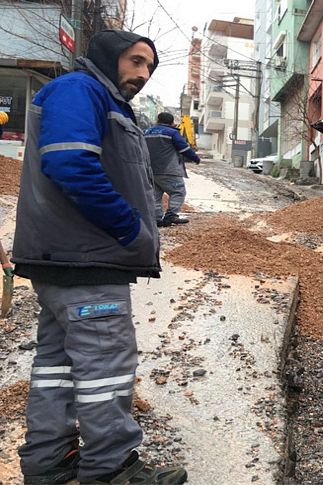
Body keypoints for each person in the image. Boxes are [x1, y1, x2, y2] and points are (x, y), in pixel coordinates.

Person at [12, 30, 187, 485]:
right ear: (109, 58)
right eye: (135, 61)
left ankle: (50, 463)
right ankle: (111, 469)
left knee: (59, 368)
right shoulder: (80, 90)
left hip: (65, 260)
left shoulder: (94, 97)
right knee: (106, 368)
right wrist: (129, 227)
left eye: (149, 66)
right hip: (86, 259)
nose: (143, 74)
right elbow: (70, 162)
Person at [144, 112, 200, 227]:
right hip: (168, 169)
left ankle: (157, 219)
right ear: (171, 122)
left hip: (150, 170)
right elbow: (183, 149)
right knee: (178, 191)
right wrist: (195, 158)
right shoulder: (172, 133)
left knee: (156, 195)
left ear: (158, 120)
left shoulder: (146, 132)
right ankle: (171, 215)